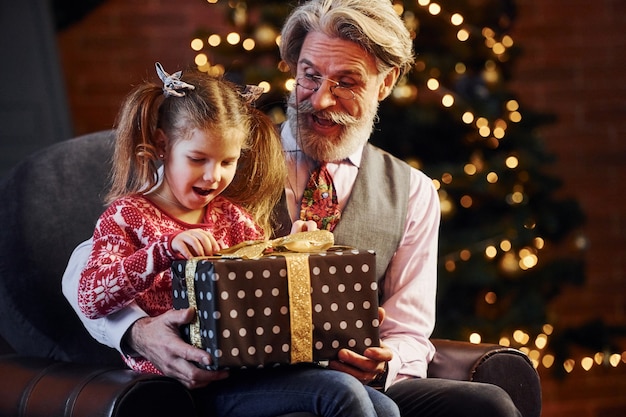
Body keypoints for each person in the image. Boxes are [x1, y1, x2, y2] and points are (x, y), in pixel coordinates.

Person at [63, 1, 522, 416]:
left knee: (489, 405)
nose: (320, 99)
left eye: (346, 82)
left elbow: (409, 331)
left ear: (386, 83)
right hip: (249, 376)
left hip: (356, 380)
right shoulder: (227, 158)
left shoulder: (414, 192)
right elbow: (87, 266)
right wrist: (138, 332)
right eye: (309, 75)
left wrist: (385, 363)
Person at [73, 61, 400, 417]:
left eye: (227, 162)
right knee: (342, 395)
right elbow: (90, 296)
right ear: (163, 145)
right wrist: (161, 252)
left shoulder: (232, 216)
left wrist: (291, 252)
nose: (213, 176)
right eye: (197, 159)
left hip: (251, 368)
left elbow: (260, 287)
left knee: (383, 407)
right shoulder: (126, 216)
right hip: (188, 380)